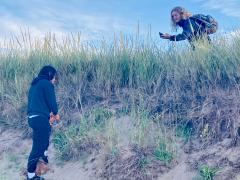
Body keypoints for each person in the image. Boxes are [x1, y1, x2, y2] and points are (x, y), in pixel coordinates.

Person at [27, 65, 59, 180]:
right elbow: (52, 103)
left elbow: (37, 102)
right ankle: (31, 176)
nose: (55, 80)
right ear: (50, 75)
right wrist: (55, 113)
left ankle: (44, 157)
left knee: (44, 136)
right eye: (54, 77)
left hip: (33, 118)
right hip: (40, 118)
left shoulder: (34, 84)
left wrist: (48, 115)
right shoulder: (46, 83)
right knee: (37, 148)